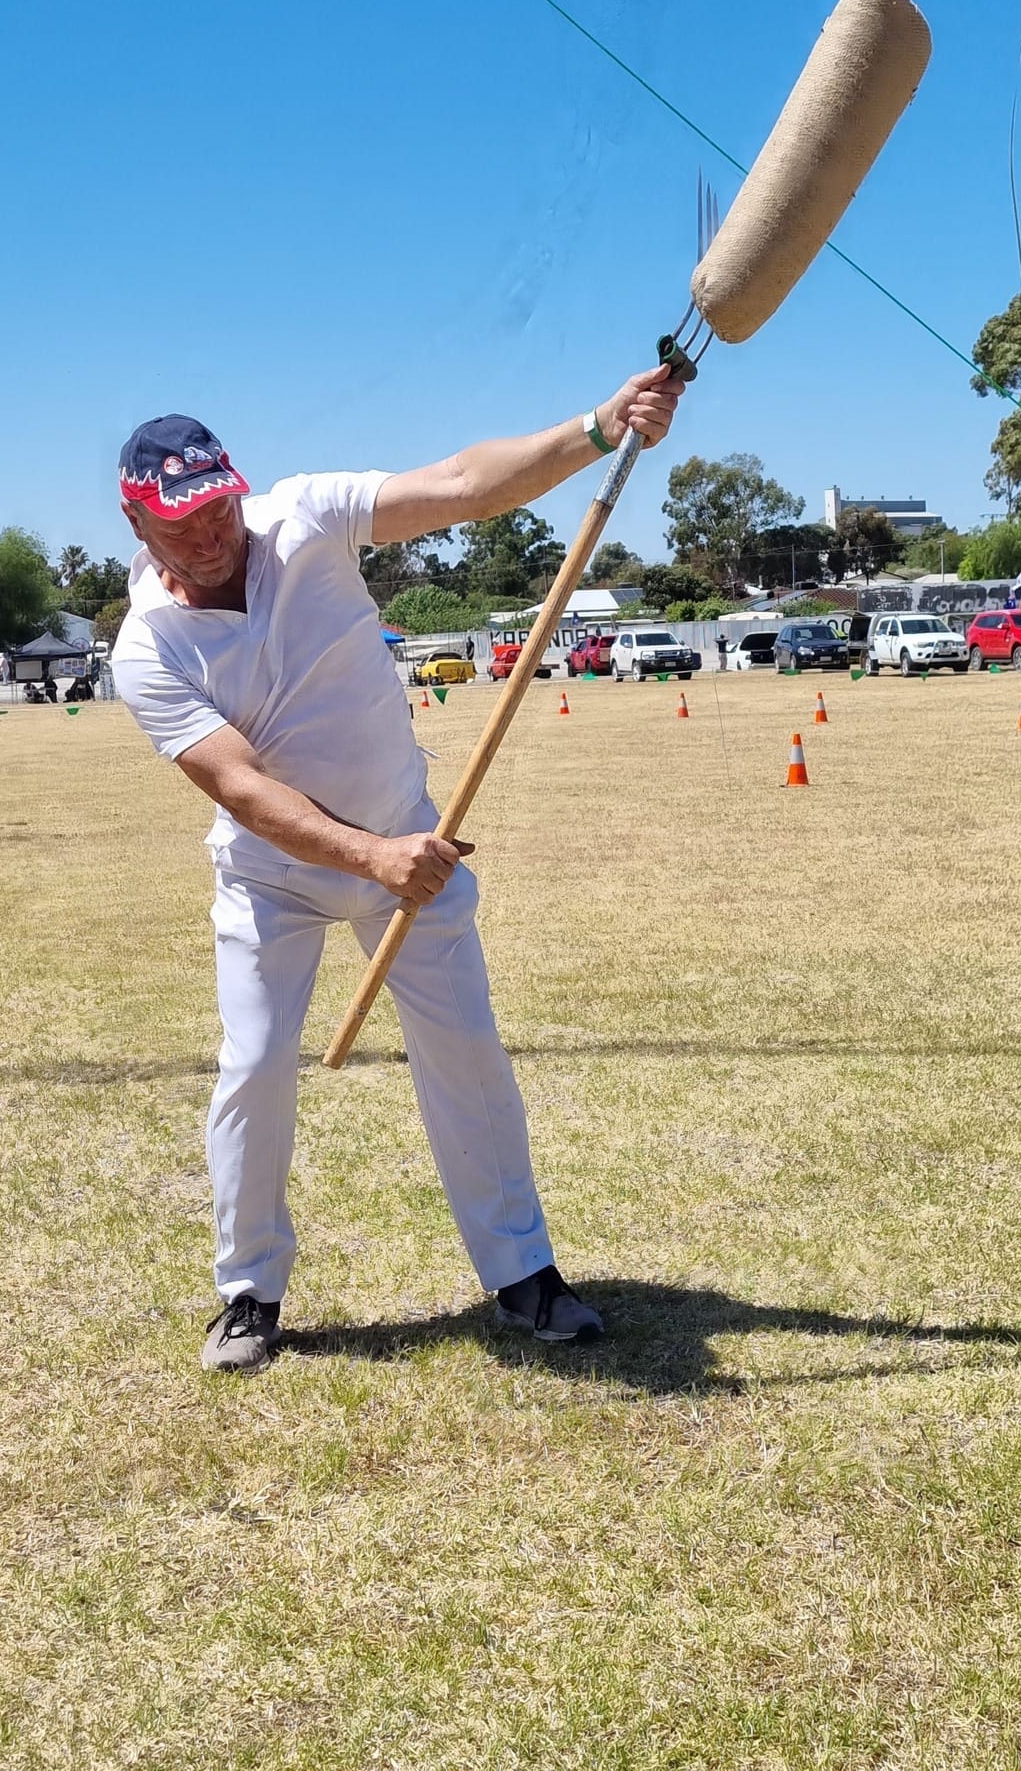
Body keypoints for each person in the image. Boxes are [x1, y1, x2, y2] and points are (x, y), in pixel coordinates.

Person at [111, 367, 684, 1374]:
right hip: (272, 874)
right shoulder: (145, 649)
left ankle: (524, 1274)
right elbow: (240, 789)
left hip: (407, 845)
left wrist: (599, 428)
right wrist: (372, 856)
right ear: (136, 518)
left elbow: (463, 481)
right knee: (252, 1068)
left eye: (219, 503)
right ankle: (249, 1290)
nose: (212, 530)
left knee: (465, 1047)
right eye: (183, 519)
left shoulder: (308, 518)